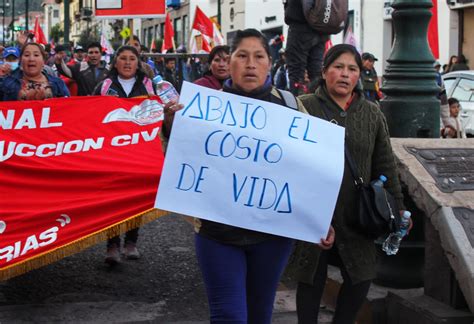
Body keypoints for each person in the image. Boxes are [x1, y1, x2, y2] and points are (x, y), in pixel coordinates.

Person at [162, 28, 333, 324]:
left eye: (258, 56)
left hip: (272, 237)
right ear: (230, 63)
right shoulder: (204, 107)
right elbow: (178, 161)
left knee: (259, 314)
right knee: (229, 315)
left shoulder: (292, 107)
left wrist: (320, 218)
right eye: (242, 56)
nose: (250, 64)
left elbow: (312, 170)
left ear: (269, 63)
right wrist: (171, 125)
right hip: (218, 234)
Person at [290, 44, 411, 324]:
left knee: (361, 279)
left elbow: (385, 166)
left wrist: (400, 209)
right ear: (324, 72)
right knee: (311, 281)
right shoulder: (302, 106)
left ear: (360, 75)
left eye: (352, 69)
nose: (345, 74)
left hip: (358, 215)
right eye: (338, 67)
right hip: (313, 215)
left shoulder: (372, 114)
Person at [93, 46, 155, 264]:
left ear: (138, 63)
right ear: (115, 62)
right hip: (111, 153)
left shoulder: (150, 85)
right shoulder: (105, 85)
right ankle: (111, 245)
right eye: (123, 58)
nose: (128, 63)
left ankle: (131, 242)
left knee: (133, 199)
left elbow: (161, 113)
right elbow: (91, 116)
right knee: (111, 200)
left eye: (132, 59)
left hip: (140, 154)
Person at [284, 0, 329, 95]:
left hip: (300, 26)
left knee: (296, 71)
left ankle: (296, 105)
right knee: (316, 72)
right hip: (321, 29)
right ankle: (318, 101)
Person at [0, 43, 69, 101]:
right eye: (27, 55)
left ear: (43, 60)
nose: (31, 59)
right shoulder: (6, 83)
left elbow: (68, 109)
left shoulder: (58, 84)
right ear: (21, 60)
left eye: (36, 55)